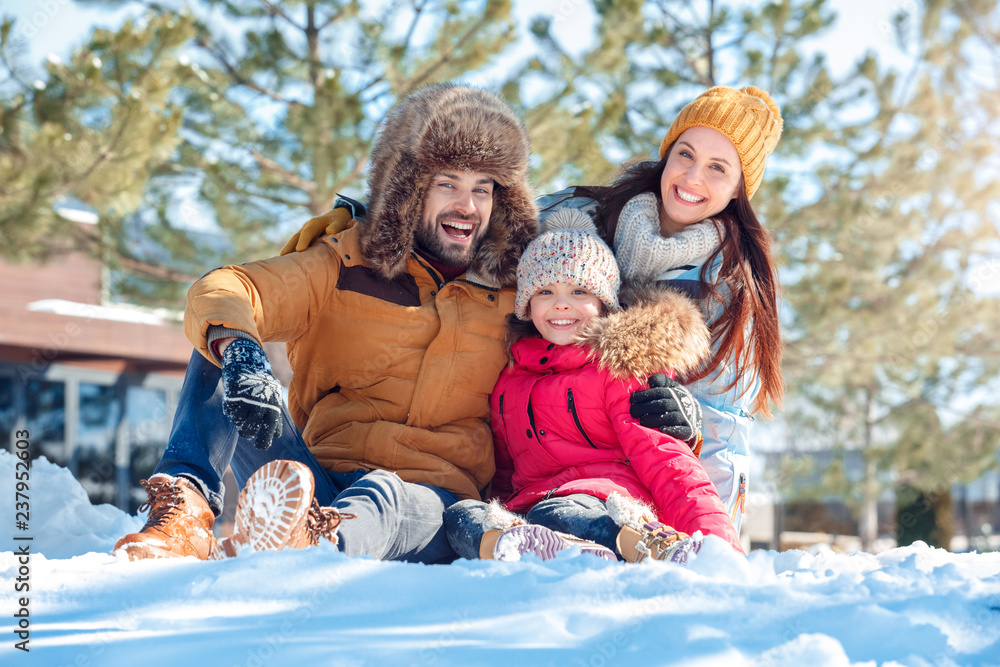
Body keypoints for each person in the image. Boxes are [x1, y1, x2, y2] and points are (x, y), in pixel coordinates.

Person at [113, 83, 691, 563]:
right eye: (448, 184)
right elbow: (229, 286)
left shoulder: (522, 292)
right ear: (406, 190)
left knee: (386, 494)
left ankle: (312, 547)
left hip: (430, 500)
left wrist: (663, 389)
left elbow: (592, 316)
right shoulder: (344, 262)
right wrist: (240, 349)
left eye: (482, 189)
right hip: (312, 473)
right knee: (219, 342)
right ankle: (185, 512)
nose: (467, 205)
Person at [536, 86, 784, 533]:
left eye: (717, 168)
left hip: (657, 490)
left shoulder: (729, 283)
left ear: (737, 190)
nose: (692, 177)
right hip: (553, 461)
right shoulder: (586, 214)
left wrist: (710, 535)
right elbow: (484, 219)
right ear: (667, 155)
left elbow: (723, 426)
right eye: (685, 154)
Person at [441, 208, 744, 563]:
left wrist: (718, 546)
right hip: (530, 510)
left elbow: (666, 462)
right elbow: (508, 472)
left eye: (579, 289)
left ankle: (647, 545)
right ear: (526, 305)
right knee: (460, 517)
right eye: (545, 292)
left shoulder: (619, 368)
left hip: (607, 502)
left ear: (604, 302)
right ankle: (519, 547)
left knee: (555, 513)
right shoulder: (510, 380)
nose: (561, 304)